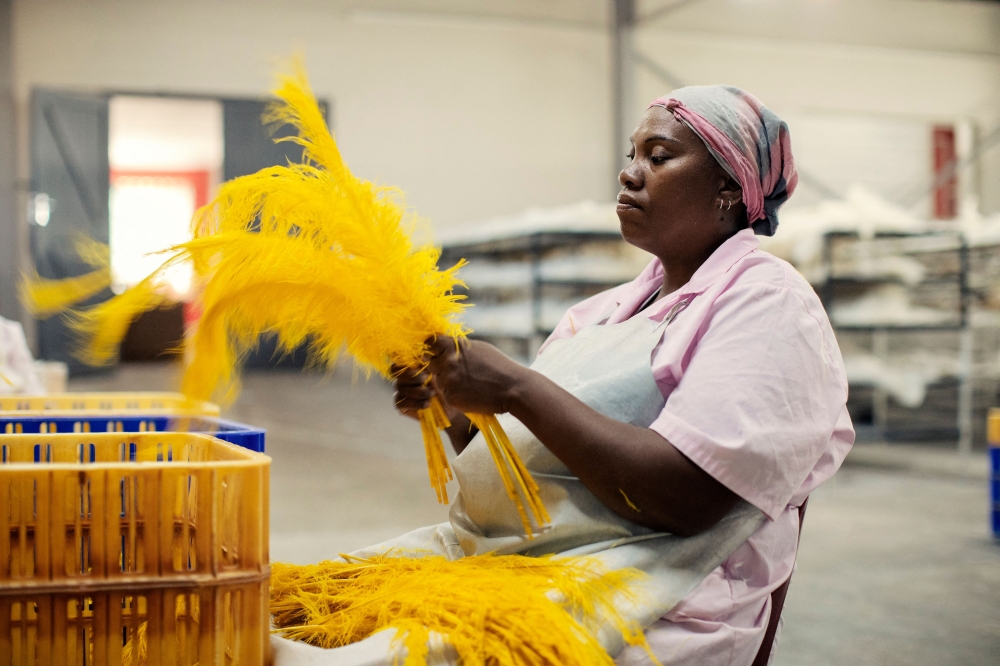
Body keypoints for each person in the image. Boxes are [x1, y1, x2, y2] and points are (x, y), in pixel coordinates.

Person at [392, 86, 854, 666]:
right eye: (632, 155)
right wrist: (458, 414)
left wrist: (516, 387)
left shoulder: (769, 302)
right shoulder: (599, 315)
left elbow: (688, 498)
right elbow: (528, 471)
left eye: (658, 157)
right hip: (549, 562)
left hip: (659, 605)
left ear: (729, 189)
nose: (629, 173)